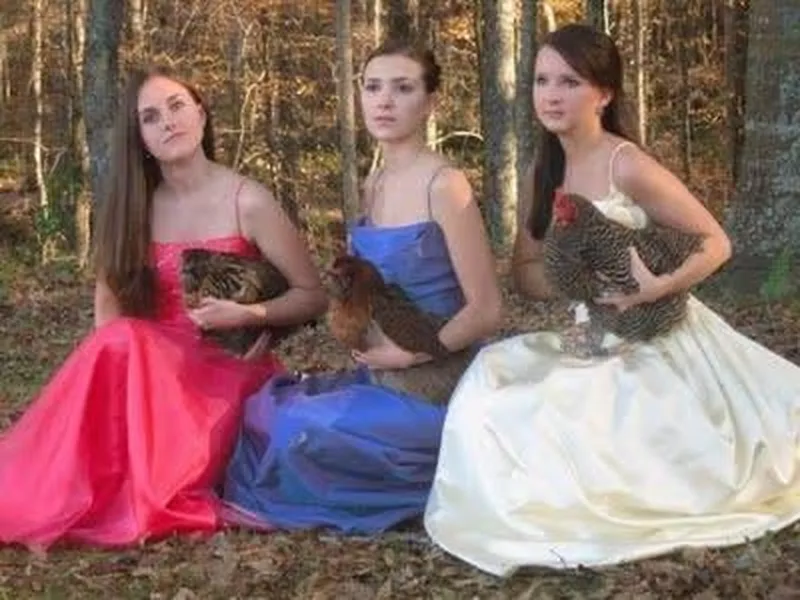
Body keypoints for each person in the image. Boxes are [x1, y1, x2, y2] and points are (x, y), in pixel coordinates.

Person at [424, 23, 800, 576]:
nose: (551, 94)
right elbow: (527, 274)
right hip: (590, 330)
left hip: (658, 331)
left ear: (603, 94)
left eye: (569, 82)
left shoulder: (626, 163)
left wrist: (655, 286)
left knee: (585, 407)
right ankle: (517, 513)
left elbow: (717, 242)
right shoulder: (543, 170)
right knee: (494, 379)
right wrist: (580, 283)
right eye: (541, 80)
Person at [0, 66, 327, 550]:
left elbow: (313, 294)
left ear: (201, 111)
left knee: (128, 341)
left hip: (226, 369)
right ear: (141, 139)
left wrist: (250, 316)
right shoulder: (135, 209)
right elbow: (107, 326)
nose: (168, 122)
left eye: (176, 106)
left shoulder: (248, 200)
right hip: (153, 373)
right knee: (122, 338)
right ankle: (58, 486)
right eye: (151, 117)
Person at [222, 39, 504, 533]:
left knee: (298, 429)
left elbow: (486, 310)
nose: (384, 101)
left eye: (402, 88)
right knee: (268, 407)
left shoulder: (445, 184)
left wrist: (412, 355)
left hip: (437, 381)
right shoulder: (373, 183)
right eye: (373, 87)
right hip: (382, 371)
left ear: (431, 101)